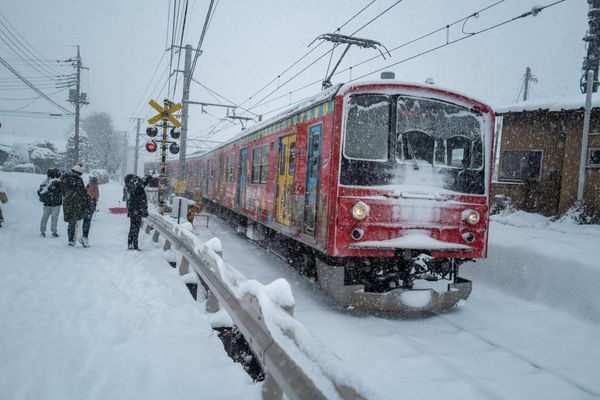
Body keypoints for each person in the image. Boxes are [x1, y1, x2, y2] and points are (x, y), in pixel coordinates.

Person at [60, 164, 90, 247]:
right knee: (78, 221)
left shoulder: (63, 178)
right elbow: (82, 192)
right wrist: (87, 200)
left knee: (71, 222)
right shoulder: (77, 179)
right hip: (77, 203)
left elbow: (62, 191)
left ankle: (70, 240)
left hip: (67, 203)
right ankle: (79, 238)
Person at [124, 174, 148, 250]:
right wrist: (147, 178)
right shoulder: (135, 187)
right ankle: (134, 245)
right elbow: (142, 185)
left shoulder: (130, 186)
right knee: (135, 228)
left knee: (133, 227)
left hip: (134, 210)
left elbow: (142, 184)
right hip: (137, 210)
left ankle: (131, 244)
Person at [37, 168, 62, 237]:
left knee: (44, 217)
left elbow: (39, 192)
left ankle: (42, 231)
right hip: (56, 203)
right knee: (54, 218)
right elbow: (62, 191)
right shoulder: (58, 182)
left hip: (47, 204)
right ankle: (54, 232)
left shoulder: (45, 182)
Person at [81, 176, 100, 247]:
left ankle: (83, 237)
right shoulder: (94, 186)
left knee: (85, 221)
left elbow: (85, 193)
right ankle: (84, 238)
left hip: (86, 205)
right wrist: (94, 199)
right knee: (87, 222)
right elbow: (96, 195)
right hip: (90, 205)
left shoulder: (88, 185)